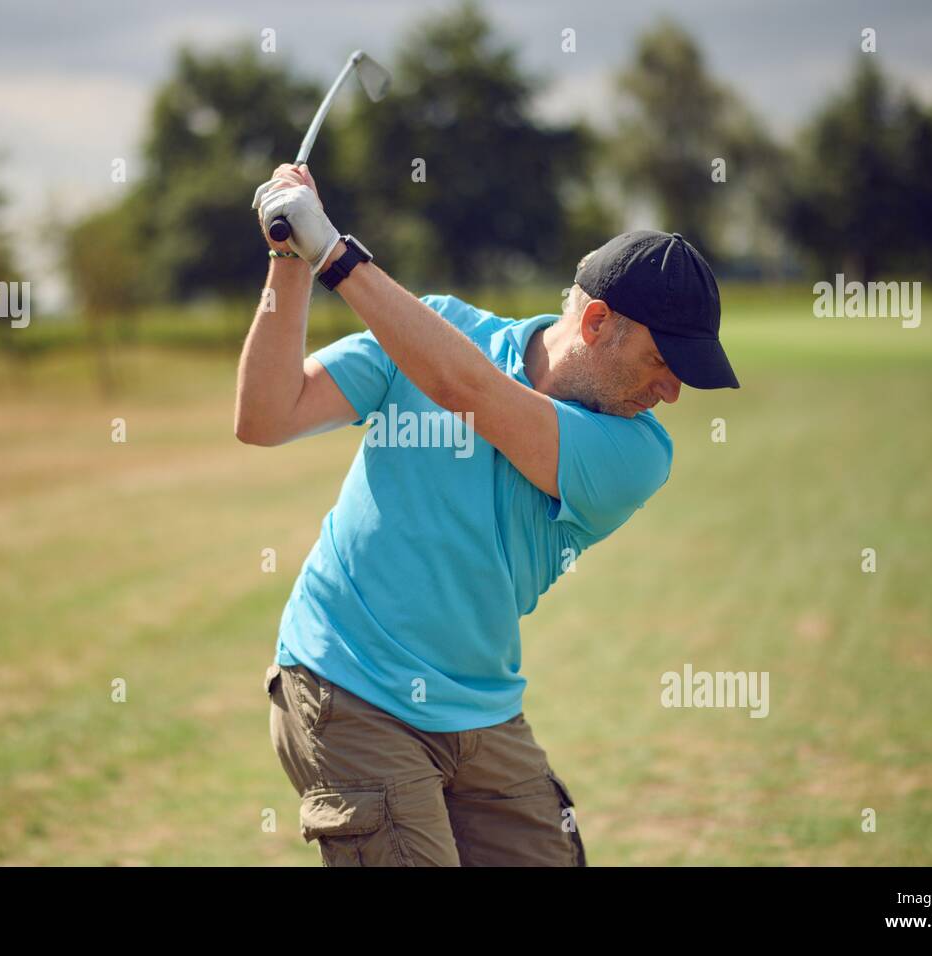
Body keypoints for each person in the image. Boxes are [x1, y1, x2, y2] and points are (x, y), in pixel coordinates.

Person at [236, 163, 740, 866]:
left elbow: (467, 389)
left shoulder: (637, 453)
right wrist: (289, 257)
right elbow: (264, 415)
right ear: (597, 323)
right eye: (663, 361)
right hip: (346, 686)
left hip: (480, 713)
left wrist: (338, 256)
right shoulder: (432, 327)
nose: (673, 392)